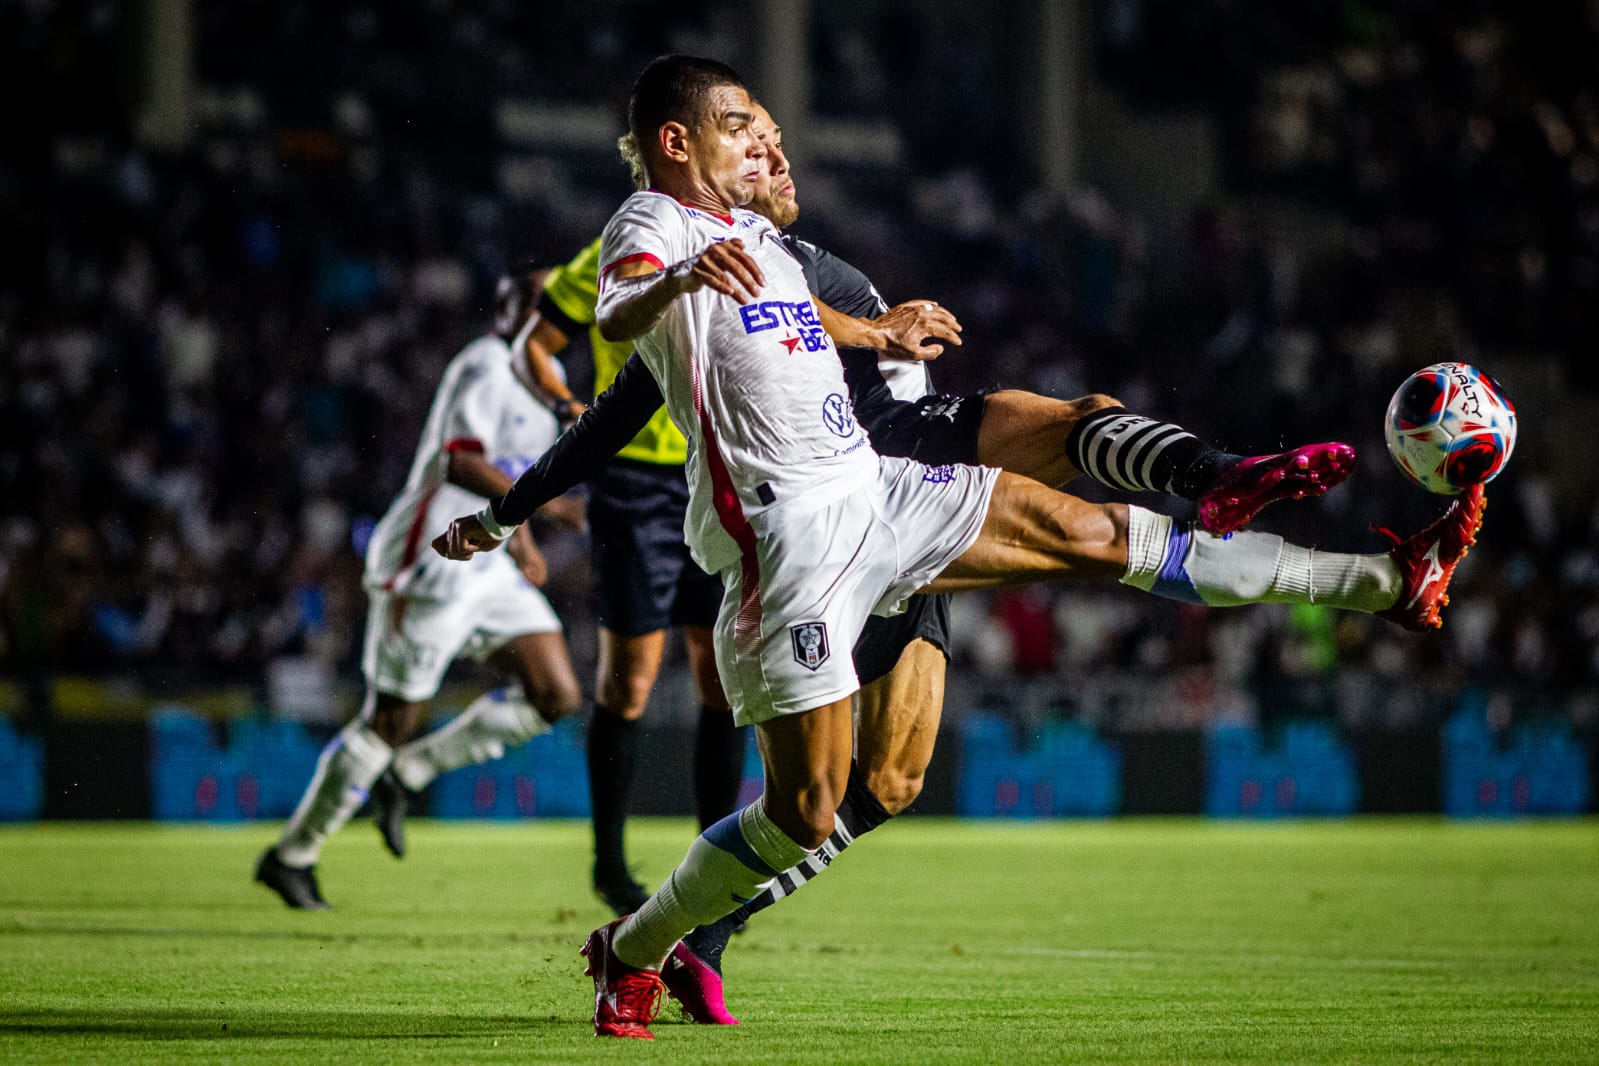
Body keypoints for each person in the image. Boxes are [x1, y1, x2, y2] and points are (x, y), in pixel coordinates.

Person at [436, 57, 1484, 1039]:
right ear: (675, 141)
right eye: (741, 126)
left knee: (1091, 534)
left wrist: (878, 334)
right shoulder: (651, 222)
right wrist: (665, 293)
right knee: (804, 811)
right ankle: (633, 944)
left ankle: (1384, 578)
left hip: (876, 486)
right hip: (785, 542)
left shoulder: (756, 241)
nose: (764, 141)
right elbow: (618, 307)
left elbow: (799, 319)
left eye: (763, 126)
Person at [255, 265, 584, 909]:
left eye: (560, 305)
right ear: (507, 309)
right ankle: (293, 855)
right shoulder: (485, 364)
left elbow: (508, 473)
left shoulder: (551, 386)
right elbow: (461, 461)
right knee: (390, 720)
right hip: (433, 558)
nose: (550, 314)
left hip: (488, 562)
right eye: (537, 301)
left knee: (556, 693)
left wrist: (518, 540)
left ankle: (411, 772)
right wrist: (542, 512)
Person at [508, 236, 748, 917]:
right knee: (631, 680)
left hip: (715, 468)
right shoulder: (610, 256)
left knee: (720, 676)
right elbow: (537, 343)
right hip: (634, 484)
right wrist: (568, 410)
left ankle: (715, 870)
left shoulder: (733, 246)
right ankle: (610, 864)